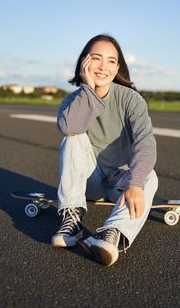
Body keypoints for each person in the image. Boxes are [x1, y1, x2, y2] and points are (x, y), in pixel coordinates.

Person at [52, 34, 158, 266]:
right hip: (90, 181)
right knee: (73, 137)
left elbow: (146, 142)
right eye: (97, 58)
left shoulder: (131, 100)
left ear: (118, 67)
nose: (103, 66)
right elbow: (68, 128)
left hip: (121, 184)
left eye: (111, 61)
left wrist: (135, 184)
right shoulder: (71, 101)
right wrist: (88, 90)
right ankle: (72, 220)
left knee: (149, 175)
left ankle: (112, 233)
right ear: (84, 62)